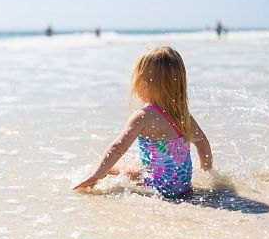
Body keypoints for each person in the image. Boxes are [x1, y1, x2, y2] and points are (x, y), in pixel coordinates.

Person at [72, 46, 213, 198]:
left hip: (157, 189)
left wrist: (95, 176)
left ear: (144, 84)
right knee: (136, 165)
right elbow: (202, 142)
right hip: (183, 188)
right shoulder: (183, 116)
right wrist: (208, 174)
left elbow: (118, 148)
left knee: (111, 170)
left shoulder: (143, 116)